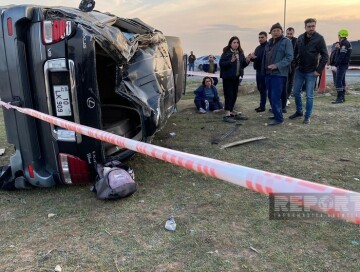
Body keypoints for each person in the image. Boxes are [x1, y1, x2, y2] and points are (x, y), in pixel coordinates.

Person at [289, 18, 328, 124]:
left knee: (309, 95)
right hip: (300, 70)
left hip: (311, 72)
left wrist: (318, 70)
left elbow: (325, 56)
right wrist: (295, 65)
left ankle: (307, 116)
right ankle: (299, 111)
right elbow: (295, 51)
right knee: (296, 92)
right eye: (309, 26)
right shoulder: (300, 38)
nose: (311, 28)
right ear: (305, 27)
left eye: (313, 26)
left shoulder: (319, 39)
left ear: (315, 26)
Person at [262, 23, 293, 126]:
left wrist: (277, 65)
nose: (275, 32)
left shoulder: (286, 42)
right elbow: (265, 57)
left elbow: (289, 57)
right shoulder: (269, 43)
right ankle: (276, 114)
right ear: (271, 33)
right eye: (273, 31)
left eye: (277, 30)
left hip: (279, 74)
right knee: (270, 96)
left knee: (275, 96)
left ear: (281, 32)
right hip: (268, 73)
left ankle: (279, 119)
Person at [219, 36, 250, 123]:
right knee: (228, 95)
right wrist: (230, 61)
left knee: (234, 95)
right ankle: (227, 113)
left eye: (237, 43)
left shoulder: (240, 53)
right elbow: (221, 64)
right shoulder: (226, 53)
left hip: (236, 77)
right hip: (228, 77)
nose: (236, 44)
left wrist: (248, 60)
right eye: (234, 42)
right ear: (230, 44)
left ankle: (231, 111)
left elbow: (243, 65)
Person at [332, 29, 352, 104]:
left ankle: (339, 98)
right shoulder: (345, 43)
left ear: (340, 35)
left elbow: (341, 56)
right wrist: (338, 49)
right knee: (342, 81)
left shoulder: (344, 44)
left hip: (342, 65)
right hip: (343, 65)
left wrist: (336, 65)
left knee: (338, 81)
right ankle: (342, 97)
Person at [250, 31, 268, 112]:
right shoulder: (258, 47)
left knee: (263, 89)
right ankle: (261, 105)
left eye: (262, 37)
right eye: (259, 37)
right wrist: (251, 57)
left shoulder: (267, 47)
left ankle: (262, 107)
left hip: (264, 71)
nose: (260, 39)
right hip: (257, 70)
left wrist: (256, 57)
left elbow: (265, 59)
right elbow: (255, 59)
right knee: (259, 88)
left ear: (266, 37)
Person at [283, 27, 298, 109]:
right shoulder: (282, 40)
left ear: (293, 33)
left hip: (293, 65)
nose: (289, 35)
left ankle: (287, 97)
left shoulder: (297, 41)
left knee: (290, 82)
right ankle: (283, 97)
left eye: (291, 34)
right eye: (288, 34)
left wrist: (296, 63)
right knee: (284, 81)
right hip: (285, 65)